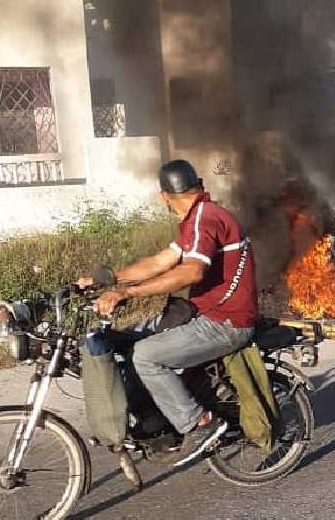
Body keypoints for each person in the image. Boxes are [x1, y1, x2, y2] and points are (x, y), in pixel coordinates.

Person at [79, 159, 258, 464]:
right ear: (198, 184)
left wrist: (127, 293)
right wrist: (108, 279)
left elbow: (192, 273)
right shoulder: (197, 218)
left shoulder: (206, 218)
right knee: (126, 338)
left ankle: (201, 423)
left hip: (226, 322)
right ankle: (152, 419)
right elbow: (161, 262)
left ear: (164, 196)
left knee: (146, 356)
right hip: (205, 313)